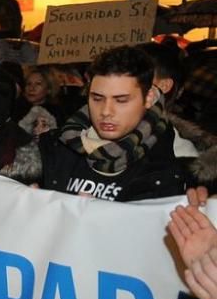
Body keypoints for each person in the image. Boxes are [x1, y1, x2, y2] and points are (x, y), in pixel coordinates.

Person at [36, 45, 188, 202]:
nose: (106, 111)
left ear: (149, 98)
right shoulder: (51, 148)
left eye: (121, 100)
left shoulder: (170, 165)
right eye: (97, 98)